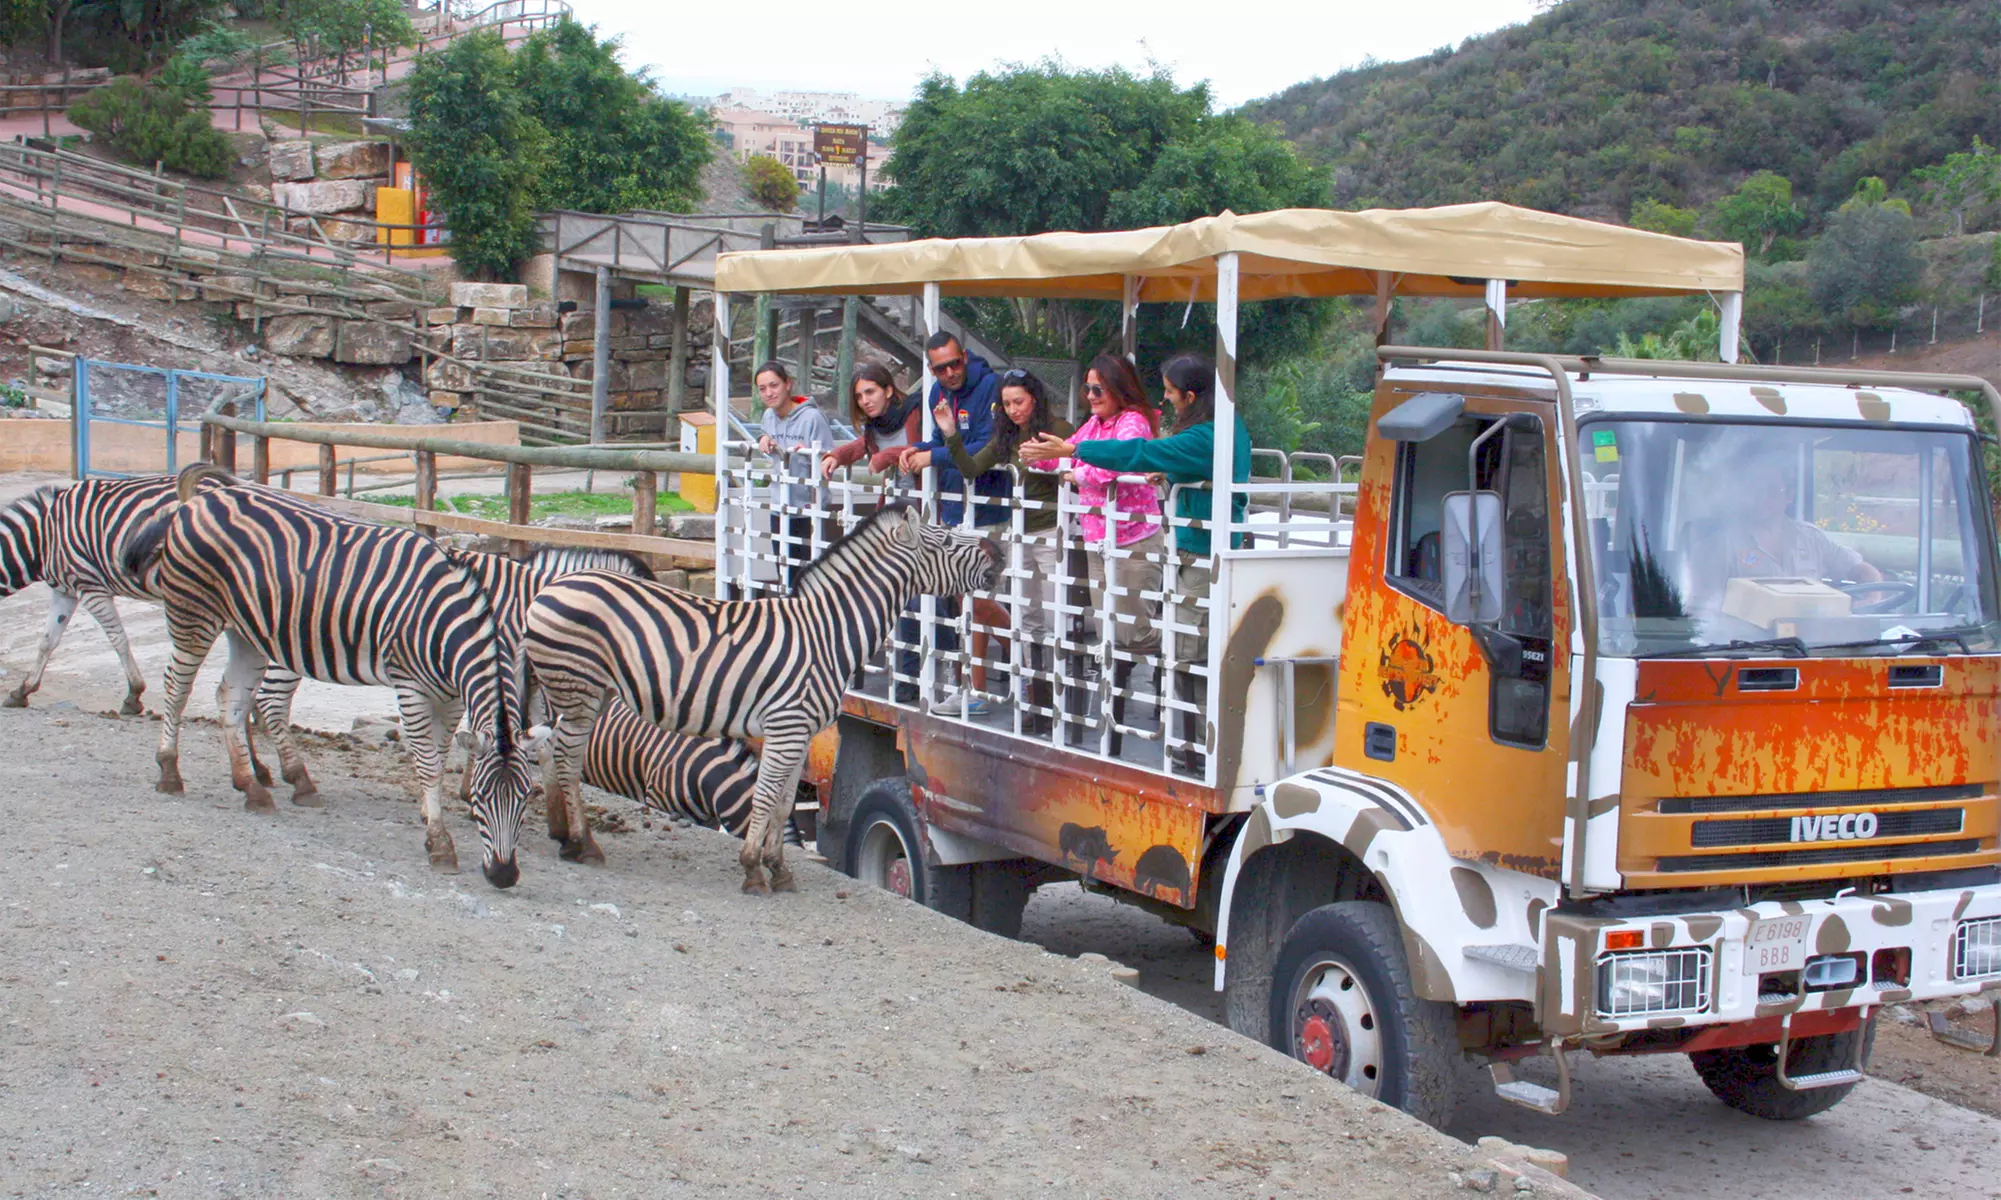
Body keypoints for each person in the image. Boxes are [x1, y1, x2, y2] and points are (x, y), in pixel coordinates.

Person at [1023, 352, 1249, 774]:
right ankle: (1192, 746)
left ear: (1191, 395)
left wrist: (1074, 452)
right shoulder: (1218, 429)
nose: (1166, 402)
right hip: (1185, 546)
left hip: (1194, 549)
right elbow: (1158, 458)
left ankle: (1200, 750)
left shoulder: (1207, 435)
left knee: (1184, 651)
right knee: (1173, 646)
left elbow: (1137, 454)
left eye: (1170, 394)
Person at [1019, 353, 1162, 754]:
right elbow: (1071, 451)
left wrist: (1074, 468)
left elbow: (1113, 463)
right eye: (1088, 389)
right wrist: (1045, 455)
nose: (1092, 396)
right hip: (1100, 542)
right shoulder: (1096, 425)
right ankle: (1116, 719)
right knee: (1109, 633)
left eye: (1099, 389)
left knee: (1130, 632)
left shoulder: (1134, 422)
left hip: (1134, 539)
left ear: (1119, 388)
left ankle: (1177, 651)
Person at [934, 368, 1075, 731]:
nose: (1014, 410)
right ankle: (1037, 700)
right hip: (1021, 531)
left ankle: (1060, 701)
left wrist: (1052, 459)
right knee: (1029, 616)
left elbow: (1079, 466)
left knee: (1056, 616)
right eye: (1008, 403)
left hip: (1053, 530)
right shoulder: (1006, 436)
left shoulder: (1059, 429)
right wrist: (950, 432)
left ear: (1035, 400)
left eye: (1020, 402)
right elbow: (969, 468)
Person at [891, 332, 1007, 706]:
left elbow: (987, 447)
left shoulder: (990, 386)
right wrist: (917, 449)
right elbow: (942, 445)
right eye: (941, 368)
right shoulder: (936, 393)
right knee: (965, 599)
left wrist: (933, 457)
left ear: (965, 356)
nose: (951, 372)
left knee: (974, 599)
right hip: (954, 509)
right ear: (931, 369)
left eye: (955, 363)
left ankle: (1024, 658)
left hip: (990, 507)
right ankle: (977, 687)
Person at [1690, 456, 1882, 608]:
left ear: (1789, 495)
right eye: (1754, 490)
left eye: (1772, 490)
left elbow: (1861, 570)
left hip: (1811, 646)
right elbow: (1703, 607)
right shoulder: (1719, 545)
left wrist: (1873, 598)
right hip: (1745, 646)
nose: (1762, 498)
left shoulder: (1811, 538)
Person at [753, 361, 836, 589]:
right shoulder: (768, 417)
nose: (769, 393)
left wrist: (809, 455)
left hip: (808, 509)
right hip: (780, 506)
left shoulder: (812, 418)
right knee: (784, 575)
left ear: (788, 384)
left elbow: (831, 460)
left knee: (808, 579)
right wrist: (763, 440)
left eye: (774, 385)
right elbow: (767, 440)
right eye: (762, 388)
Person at [821, 363, 922, 497]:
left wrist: (887, 456)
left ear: (888, 391)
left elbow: (927, 447)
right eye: (858, 396)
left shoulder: (917, 412)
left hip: (929, 503)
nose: (864, 401)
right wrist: (836, 456)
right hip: (894, 503)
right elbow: (864, 443)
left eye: (870, 392)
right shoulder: (874, 425)